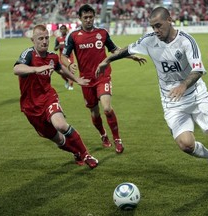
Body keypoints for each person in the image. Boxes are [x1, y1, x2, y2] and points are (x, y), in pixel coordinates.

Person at [96, 7, 208, 191]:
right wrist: (107, 61)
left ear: (169, 20)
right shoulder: (150, 40)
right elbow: (127, 49)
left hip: (197, 95)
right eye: (152, 27)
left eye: (158, 26)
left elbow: (198, 69)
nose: (155, 31)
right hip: (172, 102)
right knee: (186, 145)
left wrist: (183, 85)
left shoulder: (186, 41)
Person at [61, 4, 145, 153]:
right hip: (86, 80)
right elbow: (64, 56)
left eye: (91, 17)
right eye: (85, 17)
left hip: (102, 77)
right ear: (80, 18)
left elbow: (115, 50)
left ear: (94, 17)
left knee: (106, 108)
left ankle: (117, 139)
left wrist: (132, 56)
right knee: (94, 113)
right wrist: (69, 65)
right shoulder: (73, 36)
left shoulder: (102, 33)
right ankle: (103, 135)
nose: (88, 20)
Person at [13, 24, 98, 169]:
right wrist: (35, 69)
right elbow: (16, 69)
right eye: (40, 38)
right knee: (59, 140)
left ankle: (86, 154)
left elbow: (61, 69)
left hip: (48, 97)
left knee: (60, 124)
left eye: (46, 38)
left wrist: (76, 79)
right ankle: (76, 152)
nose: (44, 41)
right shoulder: (28, 54)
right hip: (30, 107)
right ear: (33, 40)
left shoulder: (52, 56)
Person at [54, 24, 75, 90]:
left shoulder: (70, 37)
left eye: (64, 29)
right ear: (60, 30)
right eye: (61, 29)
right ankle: (66, 80)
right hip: (62, 58)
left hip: (69, 57)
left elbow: (74, 46)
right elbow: (55, 48)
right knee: (62, 73)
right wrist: (59, 46)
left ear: (66, 30)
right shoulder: (58, 39)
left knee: (70, 71)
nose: (63, 30)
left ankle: (71, 86)